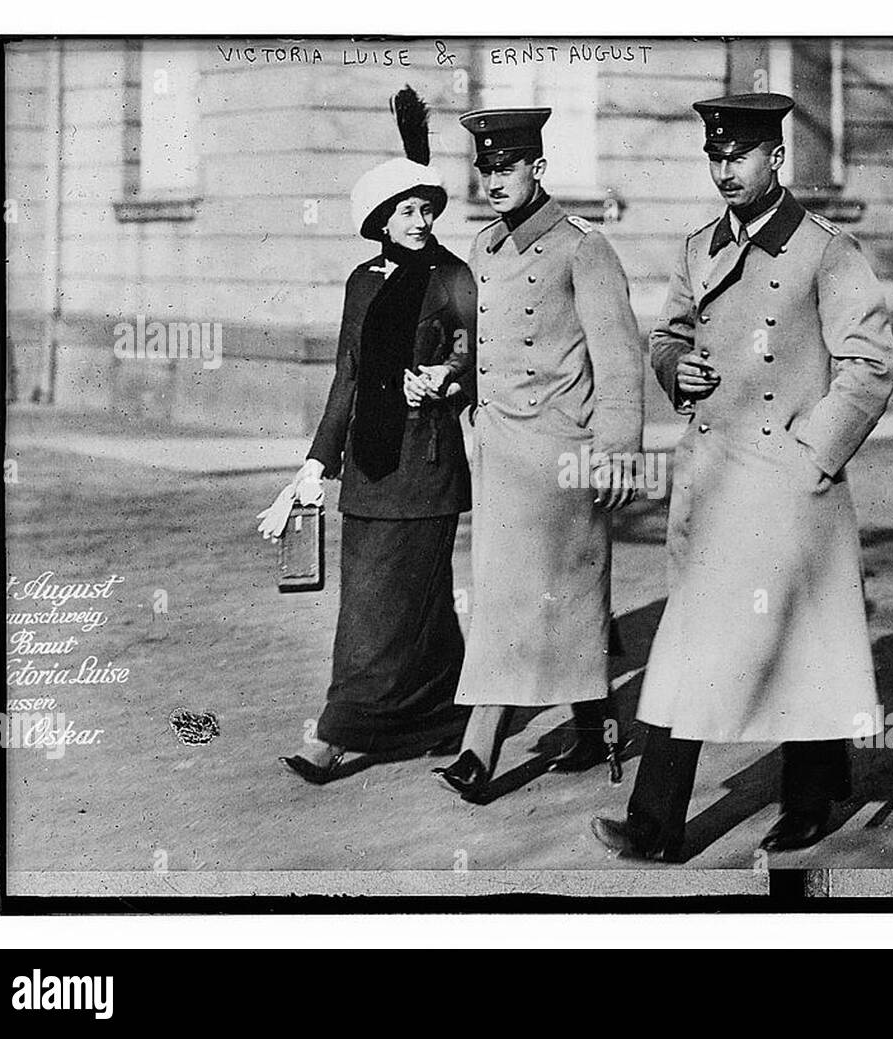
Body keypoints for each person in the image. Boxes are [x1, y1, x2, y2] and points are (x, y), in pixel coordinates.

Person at [592, 93, 893, 860]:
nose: (724, 170)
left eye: (738, 156)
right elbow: (665, 334)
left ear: (776, 159)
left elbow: (869, 365)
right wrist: (675, 370)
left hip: (787, 485)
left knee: (796, 644)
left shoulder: (826, 251)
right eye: (714, 158)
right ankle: (659, 823)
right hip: (715, 479)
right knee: (690, 644)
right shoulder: (698, 246)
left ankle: (806, 800)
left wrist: (812, 455)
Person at [432, 107, 644, 801]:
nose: (493, 179)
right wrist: (451, 377)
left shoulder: (583, 248)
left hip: (563, 453)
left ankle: (478, 750)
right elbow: (474, 340)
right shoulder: (483, 249)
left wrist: (617, 451)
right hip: (499, 449)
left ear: (539, 168)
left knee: (538, 598)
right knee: (543, 596)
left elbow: (618, 359)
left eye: (507, 167)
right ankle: (595, 724)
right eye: (485, 168)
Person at [270, 87, 476, 784]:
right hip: (369, 470)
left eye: (426, 208)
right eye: (406, 210)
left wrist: (448, 381)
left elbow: (477, 358)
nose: (419, 220)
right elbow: (347, 378)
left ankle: (334, 733)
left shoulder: (454, 276)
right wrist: (314, 465)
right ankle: (446, 715)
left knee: (390, 608)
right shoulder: (362, 282)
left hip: (427, 466)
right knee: (397, 604)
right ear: (382, 220)